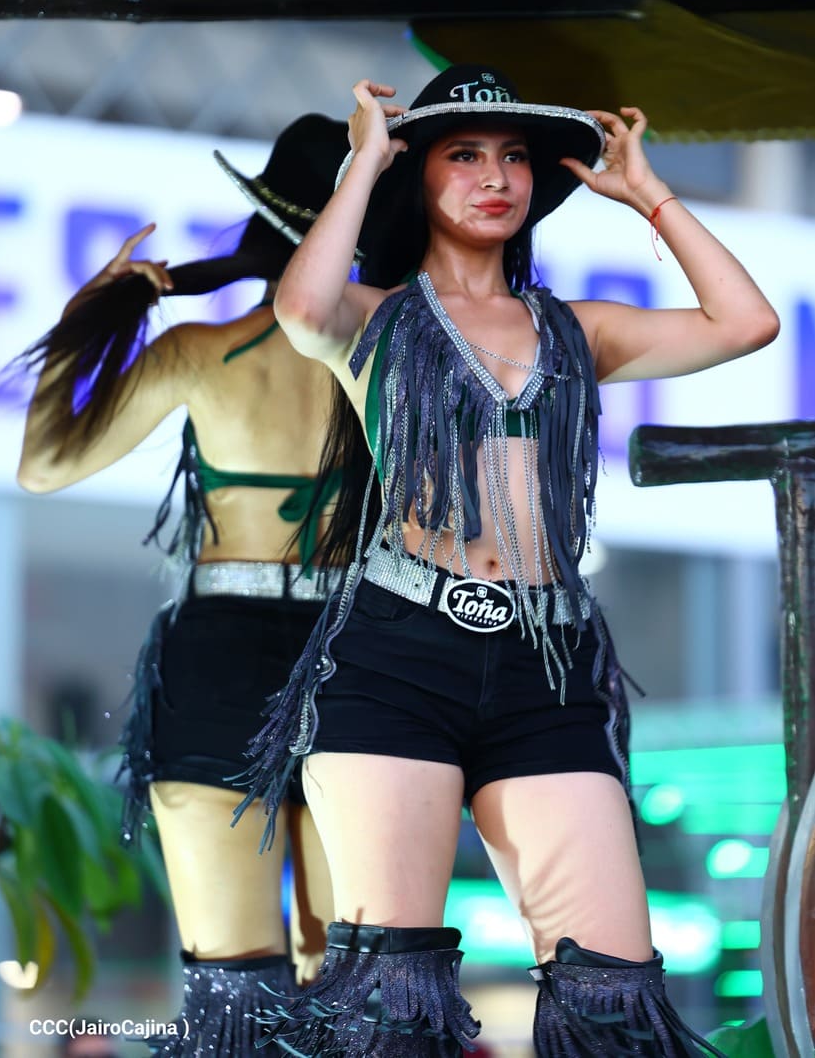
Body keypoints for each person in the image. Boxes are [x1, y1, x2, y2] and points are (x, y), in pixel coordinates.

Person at [241, 64, 780, 1056]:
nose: (495, 177)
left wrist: (649, 195)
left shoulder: (579, 329)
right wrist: (365, 162)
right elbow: (303, 310)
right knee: (391, 997)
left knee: (612, 991)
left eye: (514, 157)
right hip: (397, 658)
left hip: (549, 667)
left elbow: (746, 323)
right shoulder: (377, 316)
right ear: (419, 173)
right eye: (464, 155)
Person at [15, 114, 353, 1056]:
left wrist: (87, 315)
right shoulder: (389, 358)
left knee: (231, 993)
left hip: (220, 653)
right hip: (356, 650)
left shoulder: (204, 352)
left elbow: (43, 465)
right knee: (353, 985)